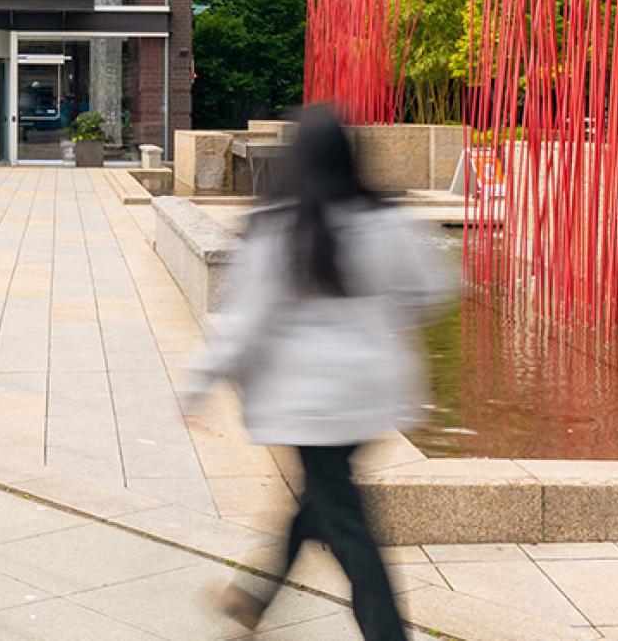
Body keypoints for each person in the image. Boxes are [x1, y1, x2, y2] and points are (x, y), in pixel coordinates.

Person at [188, 106, 456, 641]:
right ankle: (252, 599)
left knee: (349, 526)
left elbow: (246, 324)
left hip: (310, 405)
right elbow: (434, 289)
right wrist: (382, 316)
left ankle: (386, 634)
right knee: (322, 499)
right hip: (369, 397)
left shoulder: (281, 228)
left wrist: (196, 381)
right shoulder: (383, 220)